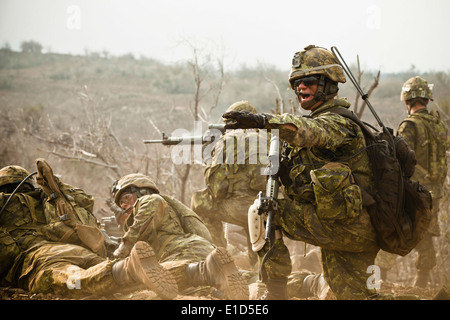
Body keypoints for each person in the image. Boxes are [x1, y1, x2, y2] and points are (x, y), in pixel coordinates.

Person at [222, 45, 380, 300]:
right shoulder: (326, 119)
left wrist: (264, 121)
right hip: (347, 226)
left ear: (329, 84)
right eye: (297, 83)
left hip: (347, 228)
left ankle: (275, 295)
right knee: (356, 296)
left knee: (262, 211)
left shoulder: (339, 123)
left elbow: (309, 131)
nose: (300, 88)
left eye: (308, 82)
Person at [0, 161, 178, 299]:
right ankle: (133, 270)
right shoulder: (46, 199)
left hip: (39, 259)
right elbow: (86, 200)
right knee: (106, 267)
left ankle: (130, 268)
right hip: (76, 250)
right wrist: (56, 186)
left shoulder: (4, 204)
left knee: (74, 280)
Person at [111, 173, 249, 300]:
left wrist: (123, 248)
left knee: (155, 285)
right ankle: (250, 280)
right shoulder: (164, 207)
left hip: (181, 253)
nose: (124, 205)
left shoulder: (149, 199)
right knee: (225, 279)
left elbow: (148, 210)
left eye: (126, 198)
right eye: (121, 203)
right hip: (199, 250)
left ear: (141, 191)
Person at [191, 100, 269, 266]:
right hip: (273, 208)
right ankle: (258, 264)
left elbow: (217, 188)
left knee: (199, 202)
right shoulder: (271, 138)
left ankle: (217, 257)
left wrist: (208, 156)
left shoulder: (227, 142)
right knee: (254, 214)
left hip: (243, 209)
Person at [396, 76, 448, 287]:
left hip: (414, 191)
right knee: (424, 235)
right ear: (427, 100)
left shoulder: (409, 126)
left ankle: (376, 278)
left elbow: (400, 160)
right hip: (436, 193)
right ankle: (422, 282)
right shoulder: (438, 124)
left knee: (393, 229)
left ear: (407, 101)